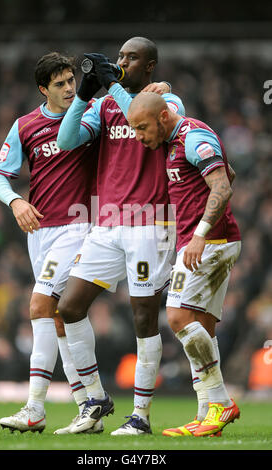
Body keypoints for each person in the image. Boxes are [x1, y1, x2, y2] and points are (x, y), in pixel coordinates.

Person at [55, 37, 185, 435]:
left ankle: (141, 416)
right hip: (107, 223)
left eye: (131, 58)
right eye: (119, 57)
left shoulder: (170, 102)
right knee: (70, 307)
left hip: (150, 223)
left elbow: (142, 118)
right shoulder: (105, 104)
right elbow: (65, 141)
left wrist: (113, 85)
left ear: (150, 66)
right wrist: (85, 97)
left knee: (144, 317)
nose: (122, 62)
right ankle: (94, 401)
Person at [0, 52, 103, 434]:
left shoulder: (90, 115)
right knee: (57, 320)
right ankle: (89, 406)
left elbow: (128, 104)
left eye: (71, 80)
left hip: (77, 226)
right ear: (44, 89)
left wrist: (162, 89)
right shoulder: (25, 125)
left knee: (39, 305)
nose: (70, 88)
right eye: (60, 84)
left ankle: (34, 407)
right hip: (39, 232)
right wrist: (16, 200)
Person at [126, 91, 241, 437]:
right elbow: (229, 172)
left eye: (143, 128)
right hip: (208, 242)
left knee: (176, 316)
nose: (140, 137)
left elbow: (223, 186)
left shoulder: (194, 137)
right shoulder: (171, 138)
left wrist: (201, 233)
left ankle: (220, 401)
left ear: (162, 118)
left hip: (211, 244)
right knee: (202, 328)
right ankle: (208, 414)